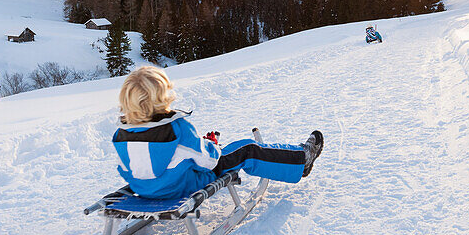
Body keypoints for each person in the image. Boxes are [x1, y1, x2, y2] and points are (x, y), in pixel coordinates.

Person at [111, 66, 323, 199]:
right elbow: (209, 162)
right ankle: (300, 160)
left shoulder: (121, 134)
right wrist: (212, 147)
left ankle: (298, 160)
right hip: (181, 187)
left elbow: (127, 167)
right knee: (245, 150)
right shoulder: (176, 128)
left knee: (190, 157)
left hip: (144, 189)